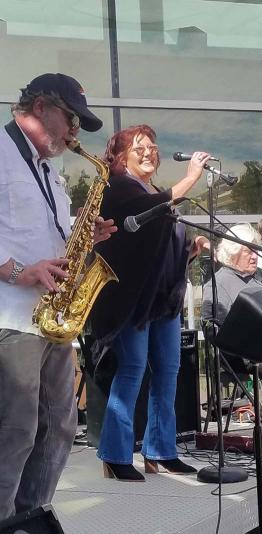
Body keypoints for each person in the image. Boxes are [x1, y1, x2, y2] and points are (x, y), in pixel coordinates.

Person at [0, 72, 117, 520]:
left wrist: (88, 238)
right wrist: (17, 270)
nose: (73, 132)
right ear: (41, 106)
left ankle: (32, 516)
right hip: (11, 318)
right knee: (15, 431)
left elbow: (47, 234)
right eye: (71, 119)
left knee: (62, 427)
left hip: (51, 316)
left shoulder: (49, 168)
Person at [90, 124, 211, 481]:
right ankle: (115, 454)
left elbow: (161, 250)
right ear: (121, 156)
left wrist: (189, 252)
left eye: (153, 147)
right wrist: (191, 178)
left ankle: (161, 450)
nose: (149, 152)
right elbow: (150, 209)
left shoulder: (157, 190)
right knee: (132, 370)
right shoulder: (119, 187)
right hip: (133, 299)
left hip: (164, 301)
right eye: (139, 147)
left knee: (168, 372)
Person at [201, 223, 262, 446]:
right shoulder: (217, 283)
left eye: (256, 250)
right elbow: (211, 326)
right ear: (232, 253)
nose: (255, 256)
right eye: (248, 251)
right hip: (240, 352)